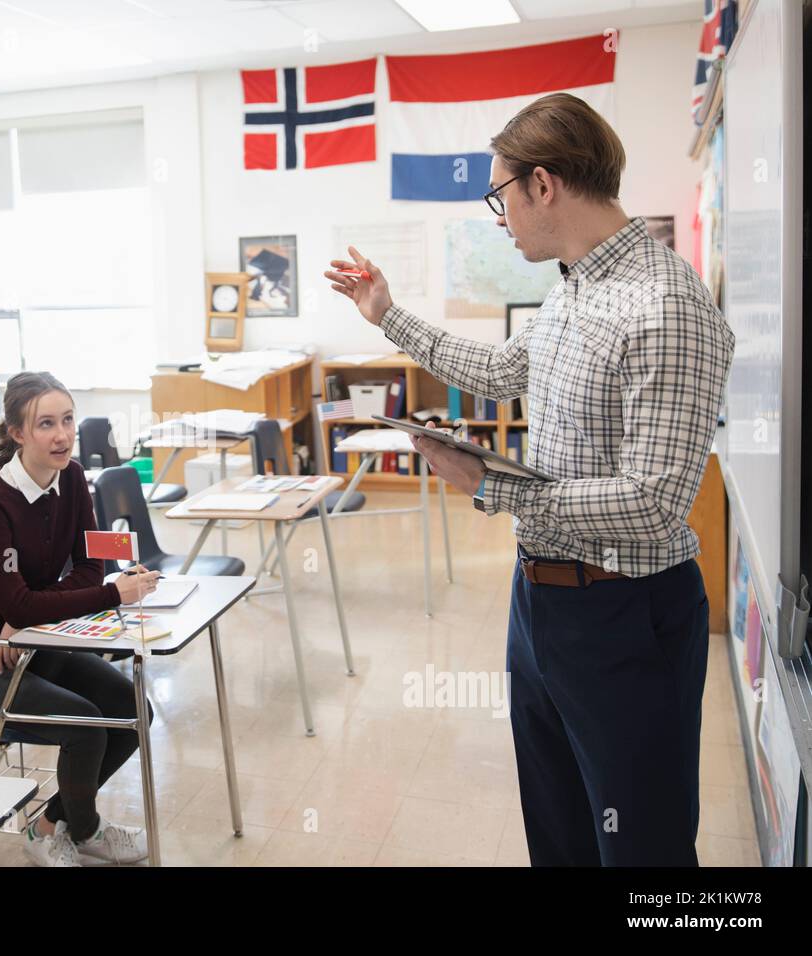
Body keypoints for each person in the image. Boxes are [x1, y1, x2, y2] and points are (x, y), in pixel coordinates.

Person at [326, 92, 735, 866]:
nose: (498, 214)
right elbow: (505, 370)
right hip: (540, 603)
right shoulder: (574, 286)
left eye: (499, 195)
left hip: (625, 612)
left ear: (543, 184)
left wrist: (489, 483)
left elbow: (654, 504)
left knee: (640, 848)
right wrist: (387, 314)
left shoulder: (666, 305)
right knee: (560, 831)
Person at [0, 371, 160, 867]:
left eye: (67, 420)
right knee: (85, 725)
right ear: (17, 432)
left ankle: (52, 823)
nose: (61, 435)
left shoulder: (74, 477)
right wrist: (101, 595)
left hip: (34, 644)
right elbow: (80, 586)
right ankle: (80, 829)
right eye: (45, 424)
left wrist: (27, 613)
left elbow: (89, 564)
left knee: (132, 711)